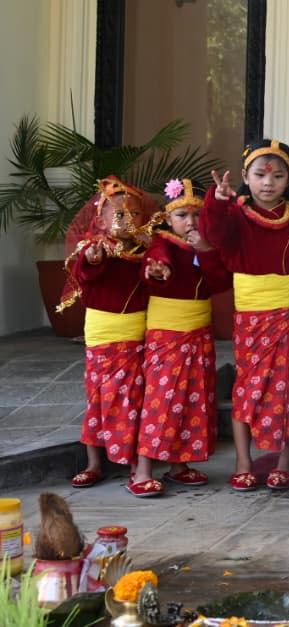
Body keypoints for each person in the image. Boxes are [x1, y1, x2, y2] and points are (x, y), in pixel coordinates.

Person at [202, 140, 289, 492]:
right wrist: (217, 201)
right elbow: (215, 236)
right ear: (245, 176)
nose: (268, 183)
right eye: (259, 175)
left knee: (288, 390)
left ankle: (285, 460)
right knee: (247, 389)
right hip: (251, 317)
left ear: (287, 180)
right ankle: (244, 461)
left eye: (277, 175)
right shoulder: (236, 215)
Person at [132, 179, 230, 497]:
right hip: (168, 335)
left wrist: (204, 248)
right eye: (182, 215)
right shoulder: (162, 243)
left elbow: (219, 282)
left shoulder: (207, 246)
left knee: (193, 399)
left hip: (199, 334)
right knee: (162, 401)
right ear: (167, 219)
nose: (189, 222)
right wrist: (157, 269)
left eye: (196, 215)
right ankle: (143, 470)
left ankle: (179, 465)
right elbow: (155, 263)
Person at [62, 176, 157, 488]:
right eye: (118, 214)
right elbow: (85, 272)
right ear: (100, 220)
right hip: (102, 334)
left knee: (132, 398)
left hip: (135, 333)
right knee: (97, 397)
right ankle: (94, 463)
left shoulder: (148, 249)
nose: (126, 220)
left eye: (133, 214)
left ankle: (133, 462)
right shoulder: (93, 247)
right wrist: (93, 259)